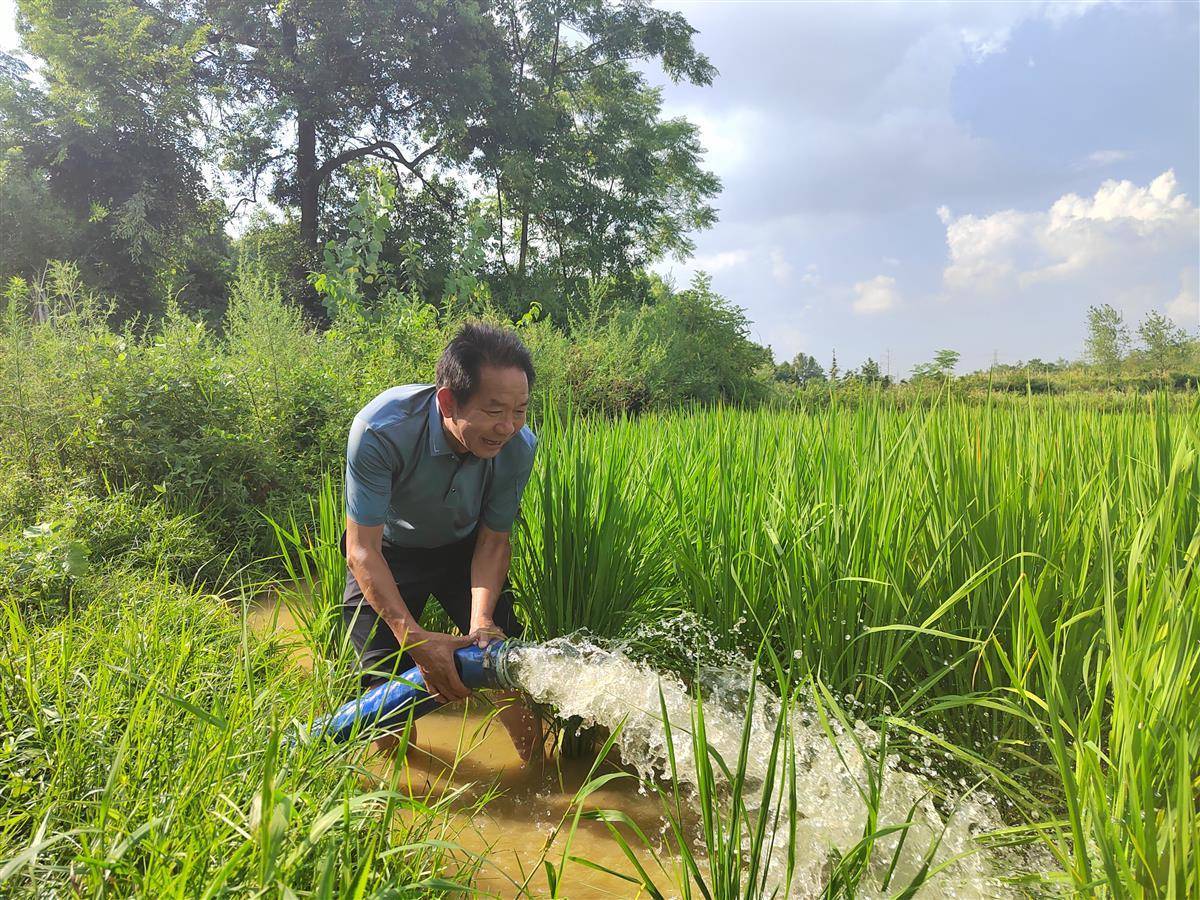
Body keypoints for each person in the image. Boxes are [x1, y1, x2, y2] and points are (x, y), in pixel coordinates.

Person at [341, 320, 541, 763]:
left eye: (520, 410)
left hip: (464, 552)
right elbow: (362, 550)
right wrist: (413, 639)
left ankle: (542, 775)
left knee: (506, 665)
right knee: (382, 689)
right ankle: (406, 789)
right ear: (448, 401)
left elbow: (493, 541)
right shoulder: (380, 430)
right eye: (494, 411)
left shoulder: (519, 446)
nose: (508, 426)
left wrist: (482, 622)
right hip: (388, 553)